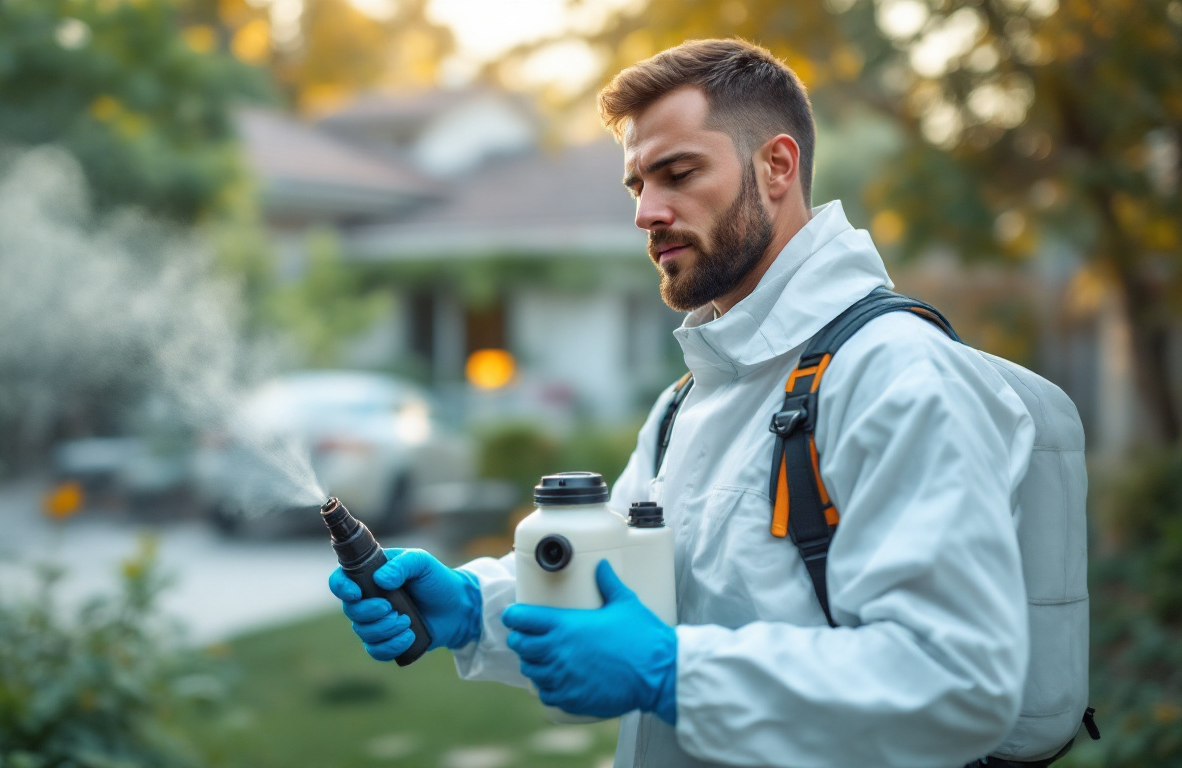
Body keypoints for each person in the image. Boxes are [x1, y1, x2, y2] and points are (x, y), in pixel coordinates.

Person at [328, 38, 1034, 768]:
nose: (648, 212)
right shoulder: (688, 401)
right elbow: (617, 595)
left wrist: (675, 673)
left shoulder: (896, 375)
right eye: (638, 185)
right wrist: (476, 610)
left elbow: (959, 681)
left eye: (679, 173)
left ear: (777, 166)